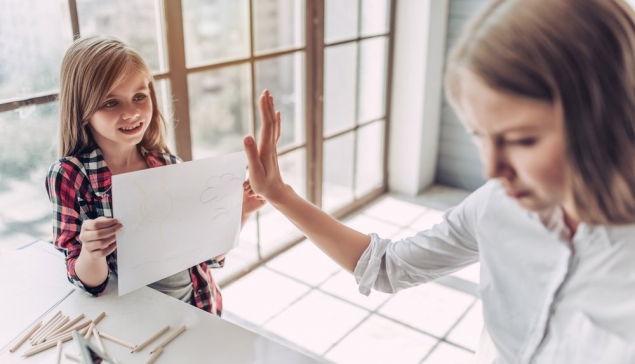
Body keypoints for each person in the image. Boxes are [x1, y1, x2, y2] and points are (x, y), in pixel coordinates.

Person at [244, 0, 635, 362]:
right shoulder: (496, 205)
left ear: (606, 121)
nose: (492, 170)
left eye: (521, 140)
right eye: (480, 135)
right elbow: (387, 267)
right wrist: (279, 195)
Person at [46, 36, 265, 316]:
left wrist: (241, 214)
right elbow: (91, 285)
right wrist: (91, 251)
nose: (132, 113)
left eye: (139, 96)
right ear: (83, 110)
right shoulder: (69, 176)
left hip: (199, 306)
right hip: (138, 322)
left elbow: (207, 257)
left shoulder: (168, 164)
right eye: (111, 102)